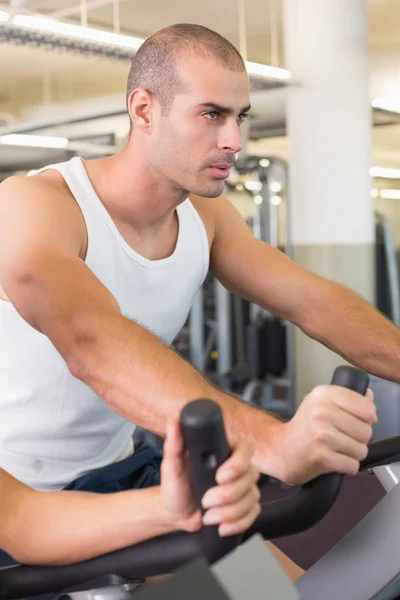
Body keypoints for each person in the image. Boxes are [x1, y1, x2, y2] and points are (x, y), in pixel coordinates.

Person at [0, 21, 389, 573]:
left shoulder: (207, 216)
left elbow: (312, 300)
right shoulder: (35, 206)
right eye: (211, 114)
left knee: (285, 592)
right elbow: (90, 341)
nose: (234, 140)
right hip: (19, 503)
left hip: (124, 473)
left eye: (240, 118)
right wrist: (272, 443)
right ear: (143, 110)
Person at [0, 420, 260, 566]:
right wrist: (165, 509)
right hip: (31, 550)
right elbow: (21, 520)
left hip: (119, 477)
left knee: (256, 577)